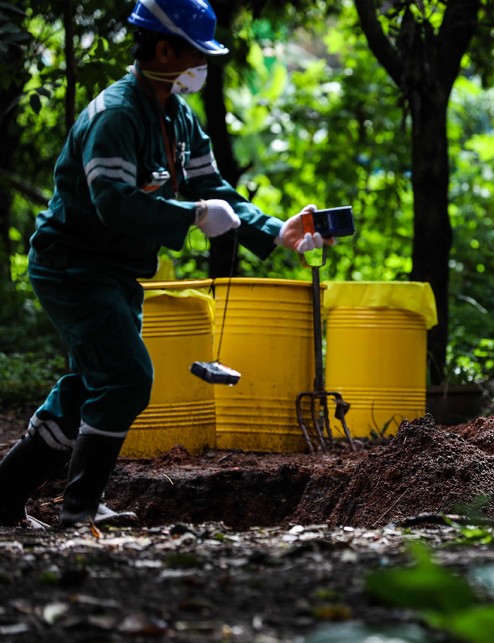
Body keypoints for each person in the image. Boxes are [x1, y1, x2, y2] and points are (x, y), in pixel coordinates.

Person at [0, 0, 335, 529]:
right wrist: (193, 215)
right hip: (72, 265)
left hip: (114, 270)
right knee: (127, 378)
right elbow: (113, 201)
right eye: (197, 54)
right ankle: (79, 509)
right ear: (164, 49)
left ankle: (6, 495)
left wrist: (275, 229)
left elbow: (213, 188)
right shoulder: (115, 115)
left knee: (91, 384)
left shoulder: (178, 117)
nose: (203, 65)